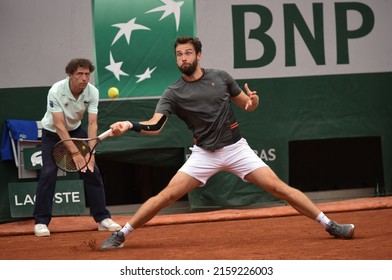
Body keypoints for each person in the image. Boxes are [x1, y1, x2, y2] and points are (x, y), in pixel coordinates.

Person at [100, 36, 355, 249]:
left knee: (279, 188)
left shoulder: (221, 77)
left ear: (199, 55)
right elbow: (156, 125)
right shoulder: (173, 93)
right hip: (203, 154)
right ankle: (122, 234)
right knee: (166, 195)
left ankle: (330, 225)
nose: (184, 58)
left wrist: (252, 102)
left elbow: (246, 104)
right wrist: (129, 125)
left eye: (188, 53)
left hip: (236, 149)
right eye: (179, 54)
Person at [33, 58, 121, 237]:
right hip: (52, 134)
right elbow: (59, 125)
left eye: (87, 74)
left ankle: (102, 218)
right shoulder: (56, 91)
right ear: (70, 75)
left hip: (76, 131)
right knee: (48, 173)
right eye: (79, 74)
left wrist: (91, 152)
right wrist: (75, 152)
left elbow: (92, 125)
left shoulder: (92, 92)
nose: (84, 78)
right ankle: (41, 222)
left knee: (92, 171)